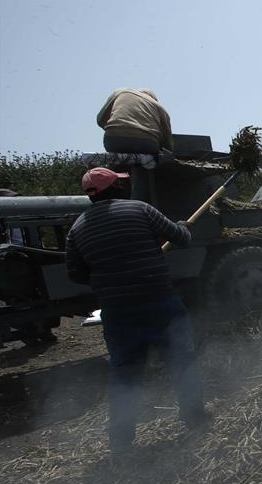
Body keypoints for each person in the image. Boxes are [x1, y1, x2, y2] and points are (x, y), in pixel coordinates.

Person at [65, 167, 208, 453]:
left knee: (124, 374)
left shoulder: (78, 228)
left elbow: (76, 274)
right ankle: (194, 417)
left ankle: (121, 440)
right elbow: (181, 238)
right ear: (115, 189)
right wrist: (183, 226)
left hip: (118, 313)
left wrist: (109, 271)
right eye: (120, 183)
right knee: (182, 360)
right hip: (159, 302)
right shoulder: (140, 209)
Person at [97, 88, 173, 154]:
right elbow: (167, 141)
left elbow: (100, 119)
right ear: (154, 99)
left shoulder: (121, 92)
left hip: (112, 141)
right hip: (146, 145)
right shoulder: (159, 107)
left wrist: (118, 132)